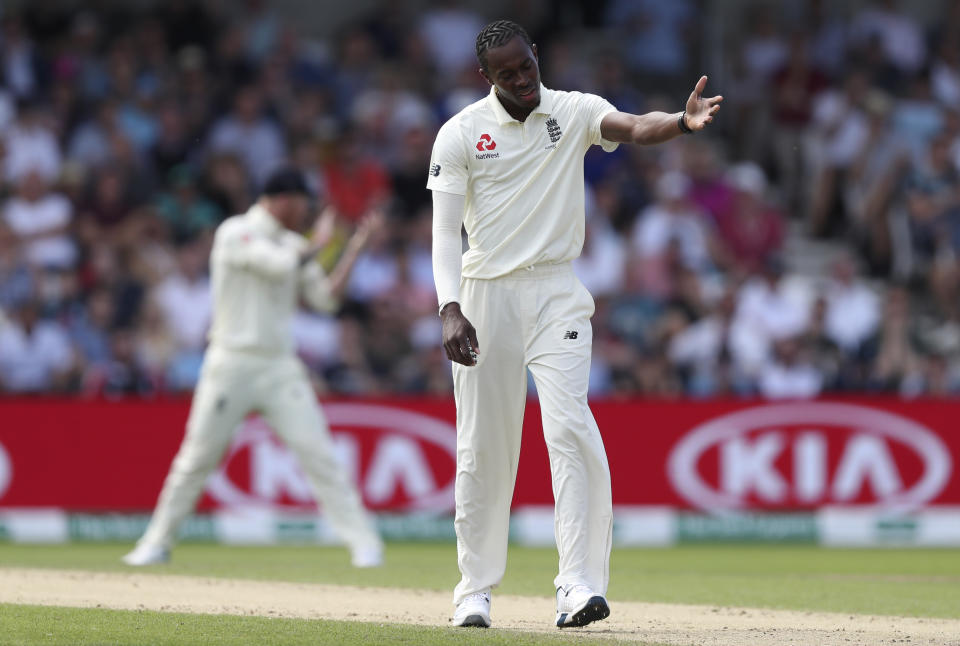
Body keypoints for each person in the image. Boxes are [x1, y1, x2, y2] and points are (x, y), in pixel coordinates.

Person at [428, 20, 722, 629]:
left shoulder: (574, 108)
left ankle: (578, 585)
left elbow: (635, 127)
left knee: (571, 430)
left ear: (536, 55)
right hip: (485, 296)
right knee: (485, 449)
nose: (521, 81)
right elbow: (443, 234)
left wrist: (681, 121)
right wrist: (450, 307)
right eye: (506, 75)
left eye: (526, 66)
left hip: (558, 290)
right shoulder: (459, 134)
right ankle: (474, 590)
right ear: (487, 78)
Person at [122, 167, 384, 568]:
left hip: (280, 366)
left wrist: (353, 248)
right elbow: (277, 265)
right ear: (283, 200)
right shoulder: (236, 232)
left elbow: (326, 299)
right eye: (302, 204)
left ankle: (364, 544)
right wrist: (317, 242)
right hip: (231, 362)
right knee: (196, 459)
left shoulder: (296, 243)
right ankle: (155, 543)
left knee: (319, 455)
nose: (306, 211)